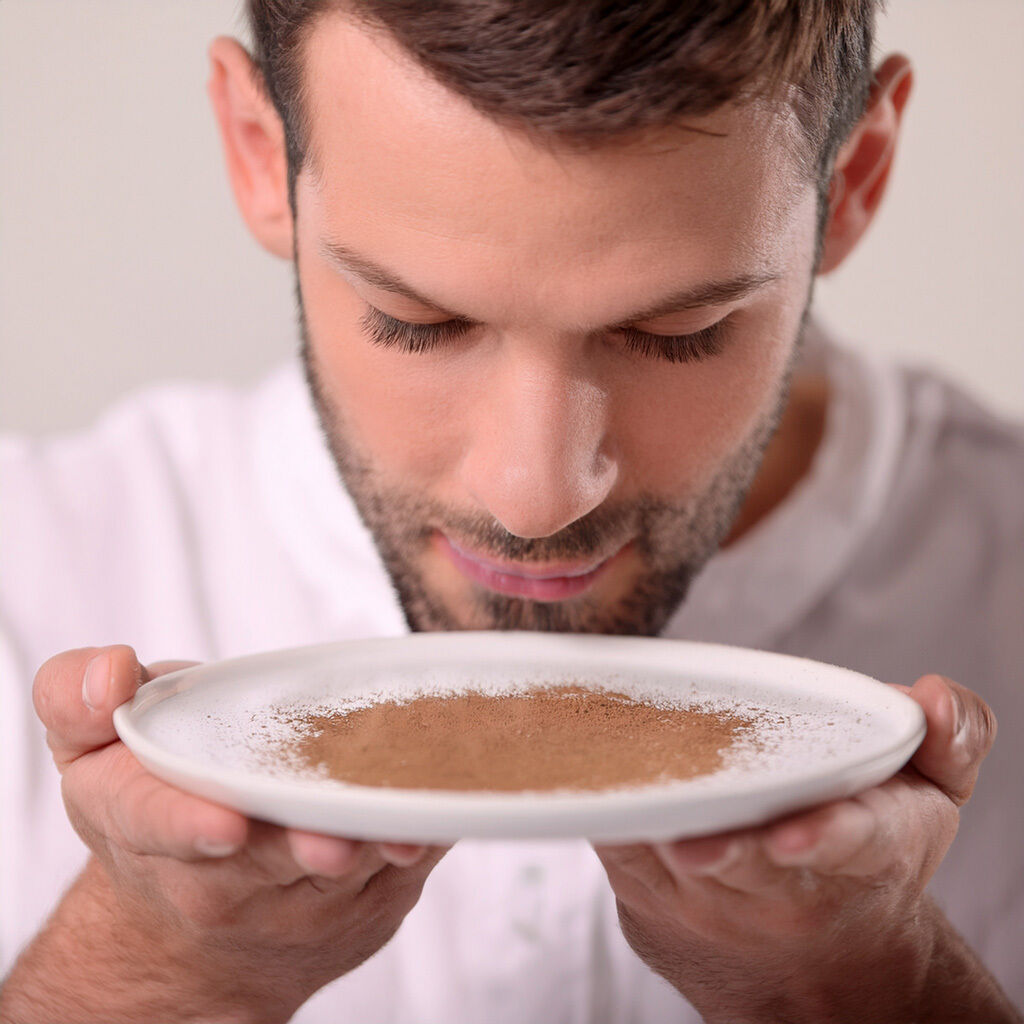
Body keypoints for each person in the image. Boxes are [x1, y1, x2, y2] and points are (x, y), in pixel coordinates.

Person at [0, 1, 1021, 1021]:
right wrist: (149, 973)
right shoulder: (31, 561)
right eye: (418, 321)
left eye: (679, 330)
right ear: (260, 152)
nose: (536, 500)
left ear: (851, 180)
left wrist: (879, 989)